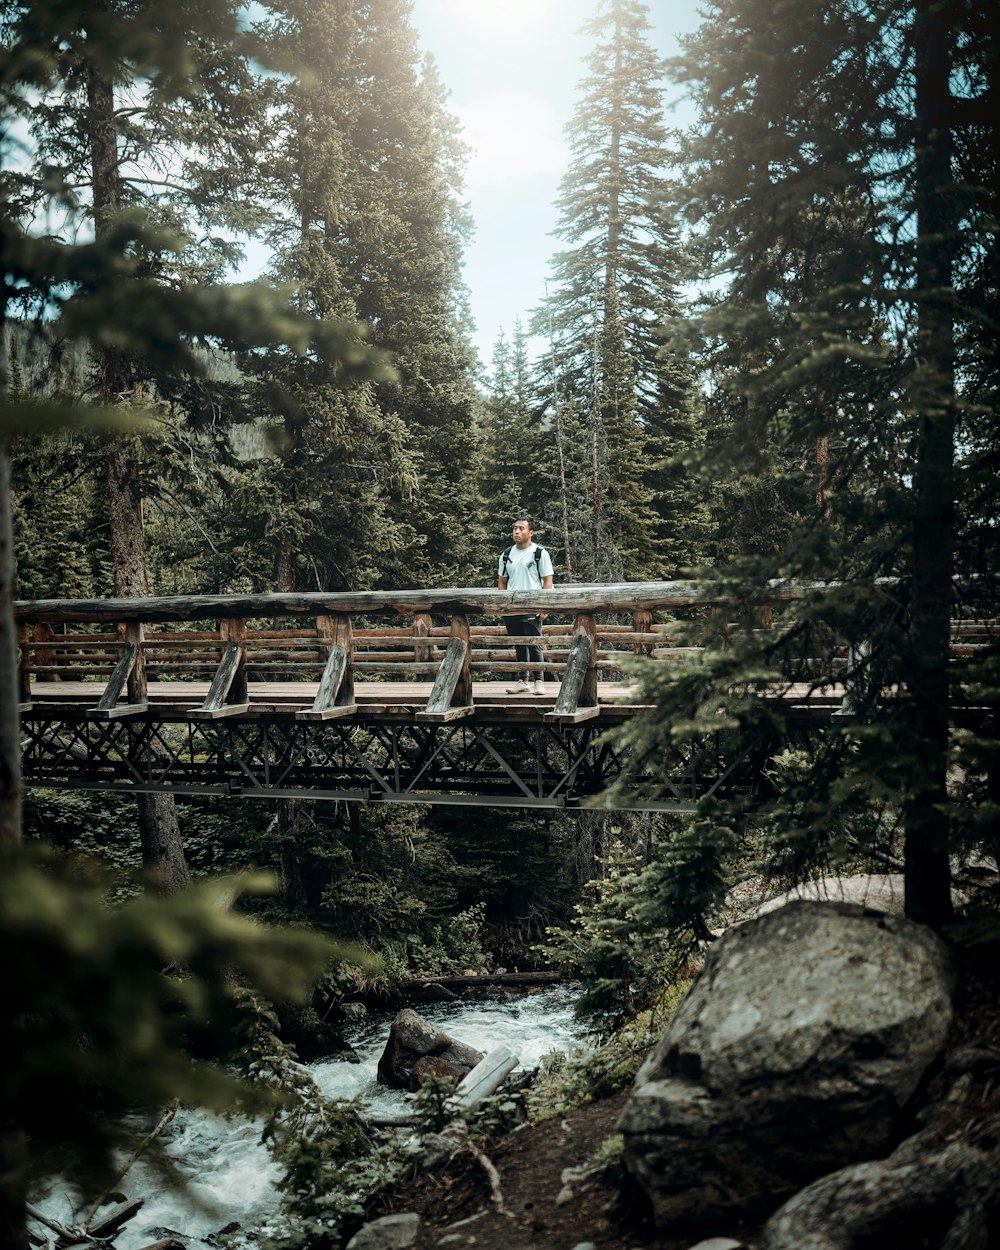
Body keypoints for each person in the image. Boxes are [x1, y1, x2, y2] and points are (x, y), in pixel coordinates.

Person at [497, 517, 554, 694]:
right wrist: (503, 605)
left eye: (521, 528)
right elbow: (502, 581)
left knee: (534, 643)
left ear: (531, 533)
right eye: (514, 528)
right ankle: (523, 680)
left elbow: (547, 581)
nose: (516, 531)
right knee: (518, 644)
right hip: (512, 608)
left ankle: (539, 681)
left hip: (533, 606)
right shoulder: (506, 554)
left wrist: (545, 606)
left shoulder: (539, 553)